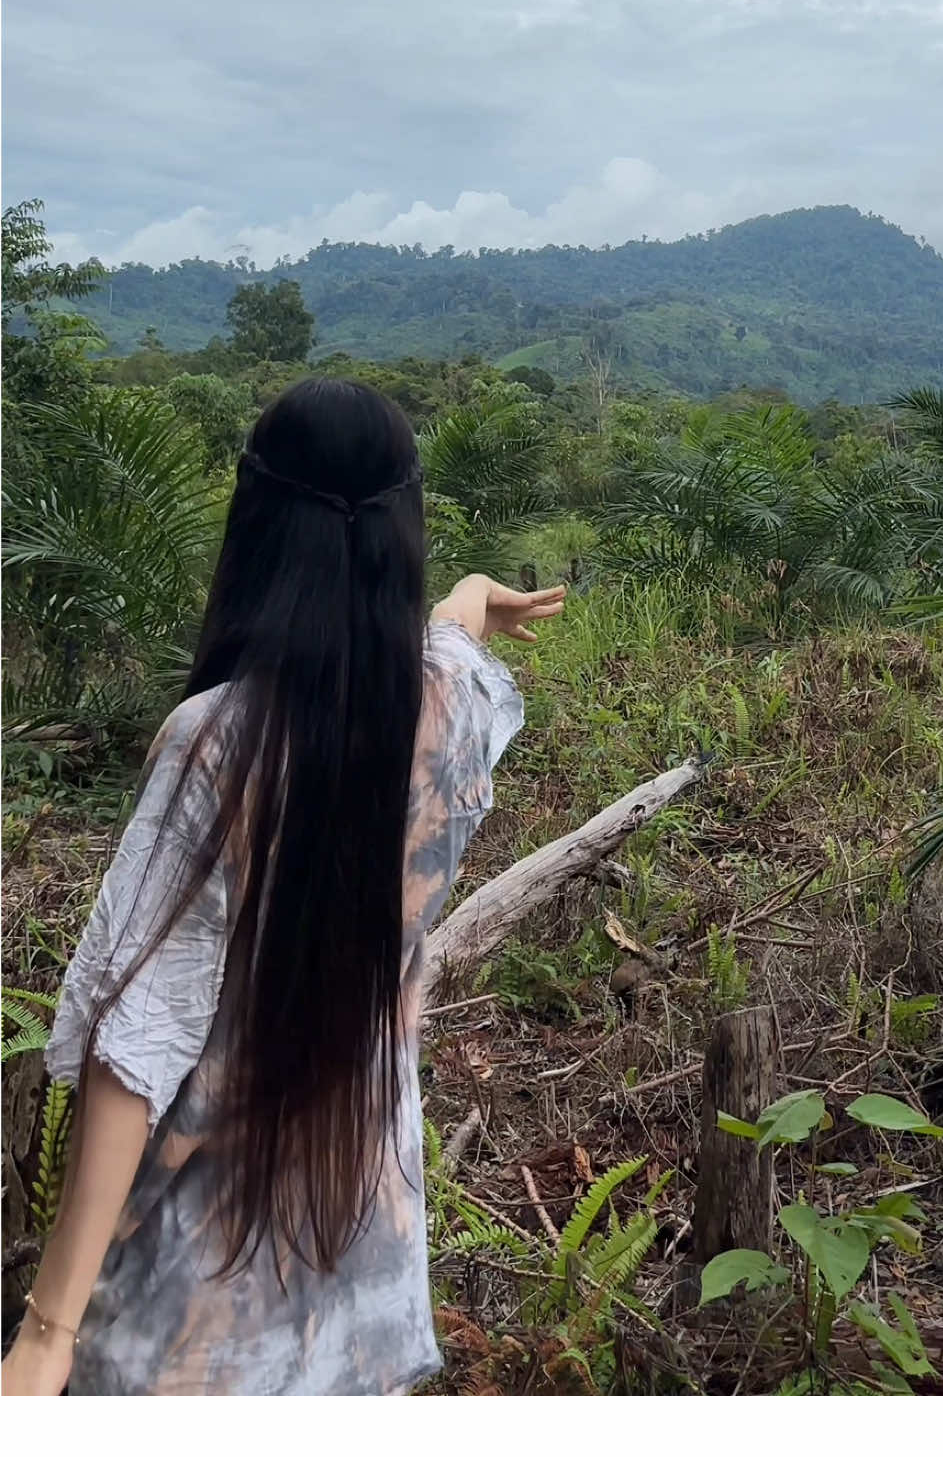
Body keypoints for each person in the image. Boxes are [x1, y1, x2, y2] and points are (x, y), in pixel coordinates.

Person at [3, 376, 565, 1396]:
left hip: (196, 1319)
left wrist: (47, 1332)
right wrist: (478, 592)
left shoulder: (220, 743)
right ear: (400, 530)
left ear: (258, 522)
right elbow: (455, 629)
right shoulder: (450, 711)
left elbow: (139, 1042)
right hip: (363, 1286)